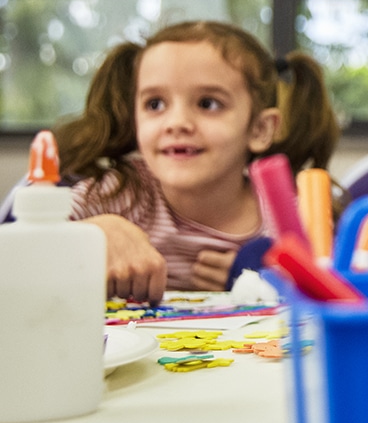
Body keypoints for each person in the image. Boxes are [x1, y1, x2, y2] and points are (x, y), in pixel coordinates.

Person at [55, 20, 340, 303]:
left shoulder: (292, 213)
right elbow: (21, 246)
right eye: (155, 104)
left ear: (260, 129)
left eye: (208, 103)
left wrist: (259, 276)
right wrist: (94, 232)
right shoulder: (118, 194)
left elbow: (334, 297)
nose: (177, 123)